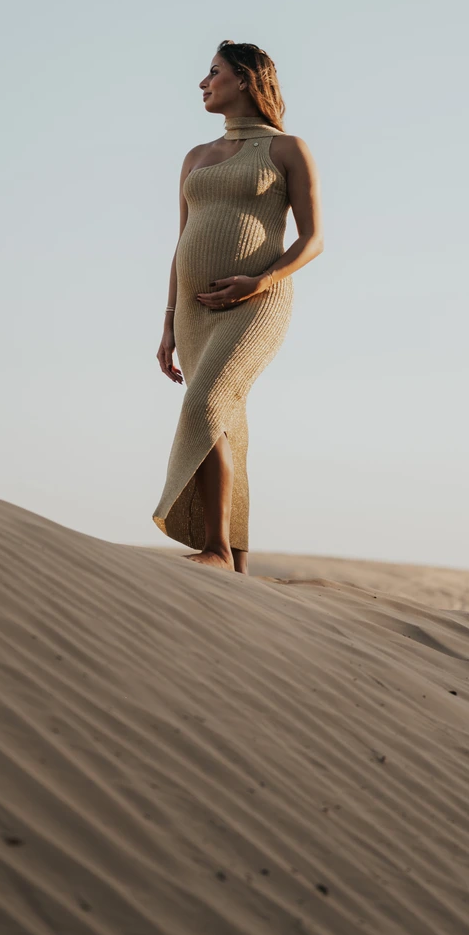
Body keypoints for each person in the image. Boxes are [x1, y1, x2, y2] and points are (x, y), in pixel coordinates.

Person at [153, 40, 324, 572]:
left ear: (246, 80)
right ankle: (237, 563)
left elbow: (313, 239)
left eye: (214, 73)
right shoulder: (195, 158)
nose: (203, 83)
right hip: (193, 310)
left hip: (257, 304)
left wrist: (257, 281)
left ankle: (216, 548)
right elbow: (181, 243)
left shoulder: (286, 149)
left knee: (204, 404)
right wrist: (166, 324)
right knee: (227, 420)